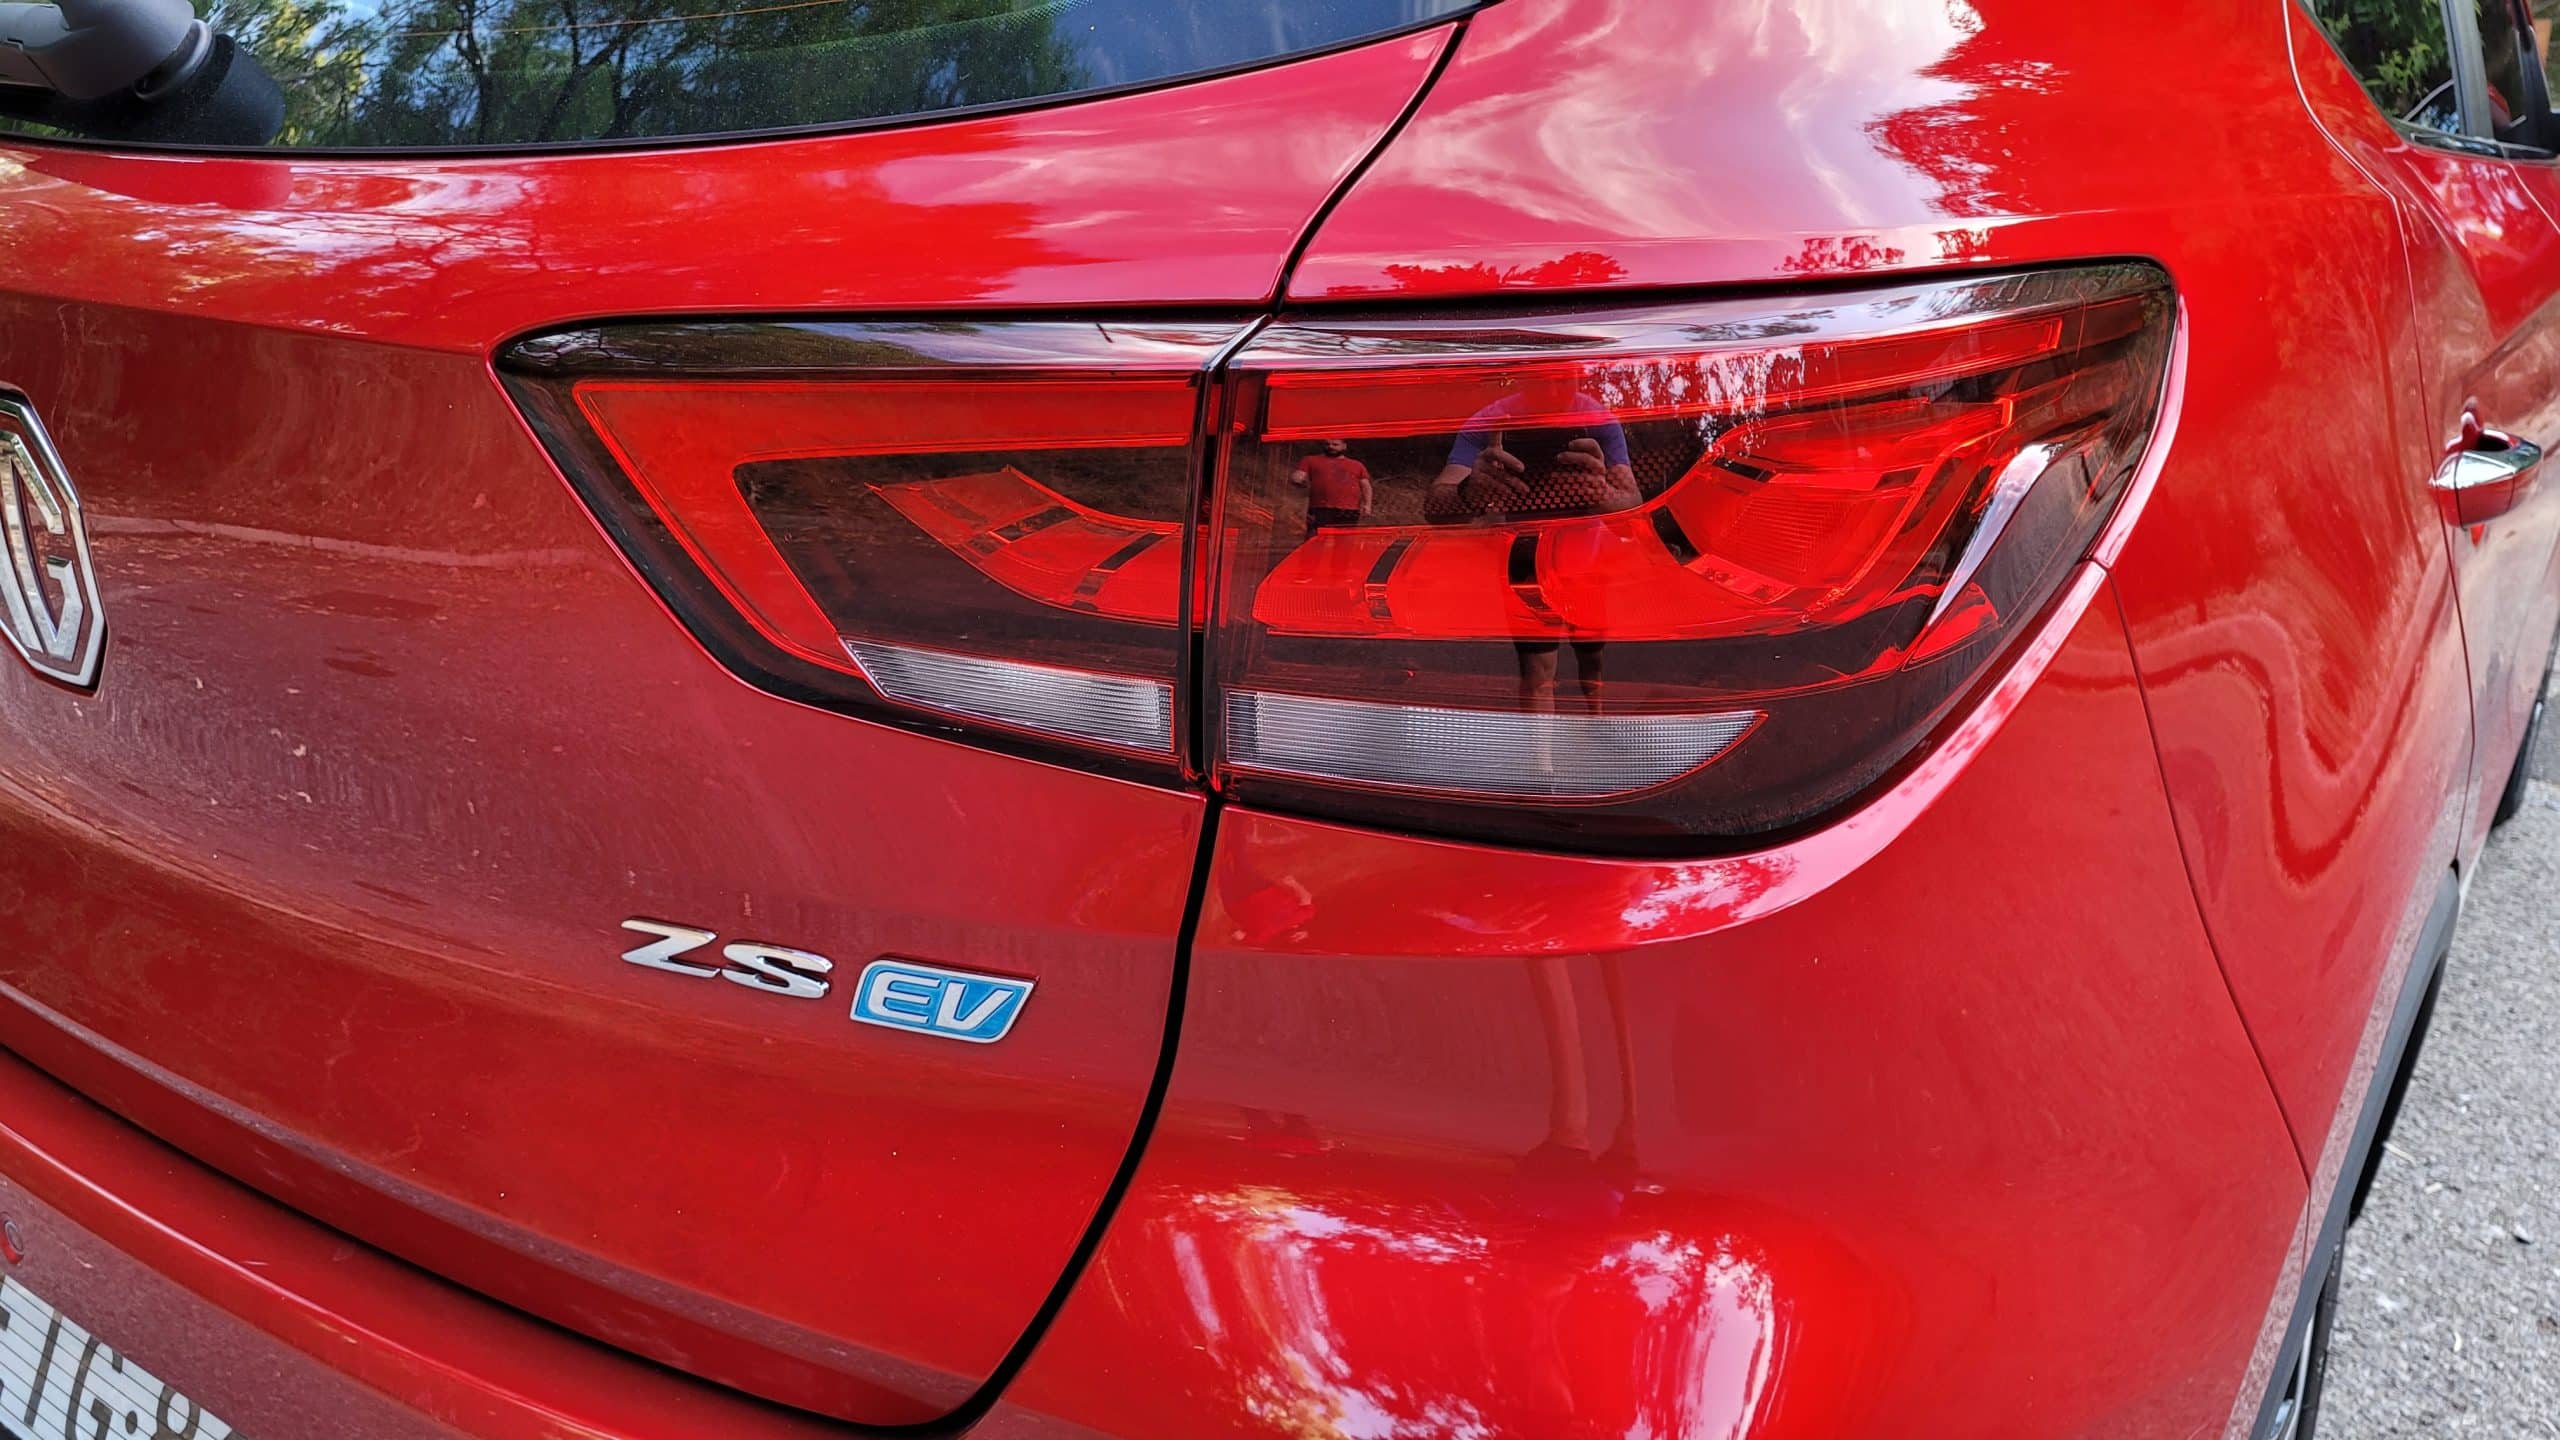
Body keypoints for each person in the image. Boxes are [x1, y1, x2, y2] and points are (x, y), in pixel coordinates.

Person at [1289, 438, 1373, 539]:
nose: (1331, 447)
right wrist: (1297, 479)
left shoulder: (1357, 465)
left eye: (1335, 444)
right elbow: (1299, 475)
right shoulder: (1310, 460)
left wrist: (1367, 505)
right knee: (1315, 541)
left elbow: (1366, 486)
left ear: (1344, 446)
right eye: (1327, 444)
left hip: (1348, 510)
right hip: (1319, 508)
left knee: (1344, 544)